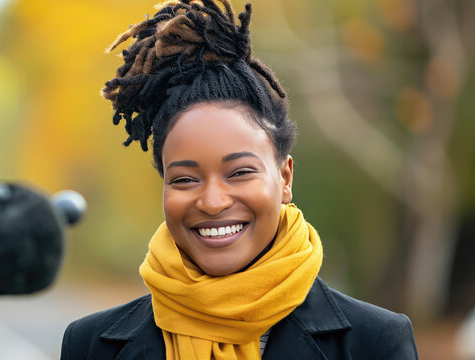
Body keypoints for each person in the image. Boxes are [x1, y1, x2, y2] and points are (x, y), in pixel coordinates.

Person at [60, 1, 419, 359]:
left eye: (240, 173)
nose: (213, 202)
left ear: (285, 177)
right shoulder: (90, 346)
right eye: (185, 179)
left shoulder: (374, 343)